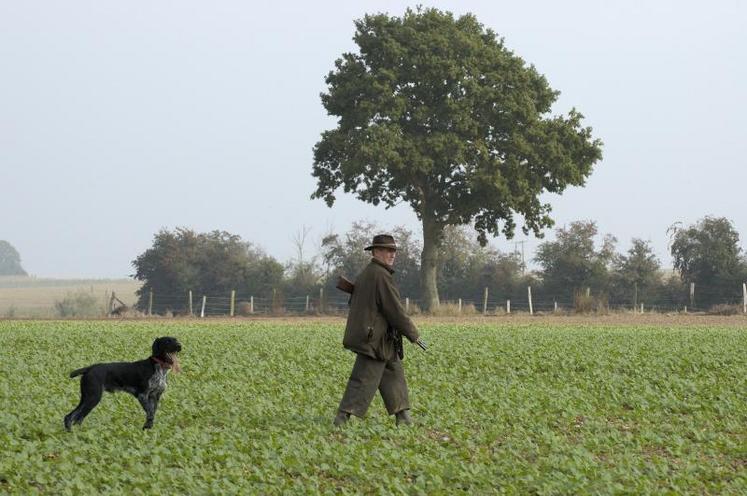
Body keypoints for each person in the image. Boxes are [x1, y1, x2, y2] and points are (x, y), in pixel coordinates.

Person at [334, 234, 422, 426]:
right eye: (387, 250)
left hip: (380, 338)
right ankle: (342, 418)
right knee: (363, 379)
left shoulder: (370, 272)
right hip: (374, 339)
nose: (392, 254)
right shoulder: (380, 275)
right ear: (375, 252)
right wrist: (413, 335)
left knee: (393, 375)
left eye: (393, 251)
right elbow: (395, 310)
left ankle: (403, 418)